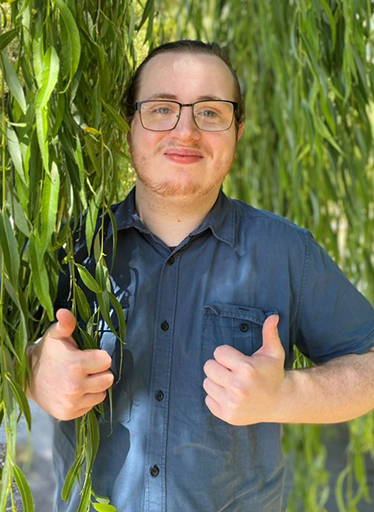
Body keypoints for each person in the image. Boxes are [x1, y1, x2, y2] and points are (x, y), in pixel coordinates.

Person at [27, 40, 374, 512]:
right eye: (161, 108)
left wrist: (285, 395)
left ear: (239, 130)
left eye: (210, 112)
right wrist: (32, 372)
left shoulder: (286, 252)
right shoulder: (70, 250)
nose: (186, 130)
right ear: (129, 126)